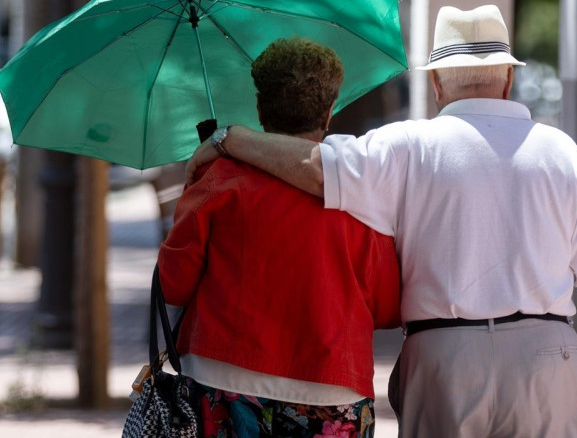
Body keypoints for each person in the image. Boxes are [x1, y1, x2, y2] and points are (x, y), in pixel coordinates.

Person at [186, 5, 577, 437]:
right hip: (547, 357)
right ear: (508, 78)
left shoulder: (407, 145)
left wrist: (231, 139)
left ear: (435, 82)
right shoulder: (562, 152)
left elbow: (315, 168)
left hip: (445, 356)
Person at [158, 37, 401, 438]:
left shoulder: (219, 180)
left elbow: (175, 278)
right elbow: (387, 305)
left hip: (223, 374)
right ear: (329, 113)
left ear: (259, 108)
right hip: (330, 386)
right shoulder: (360, 194)